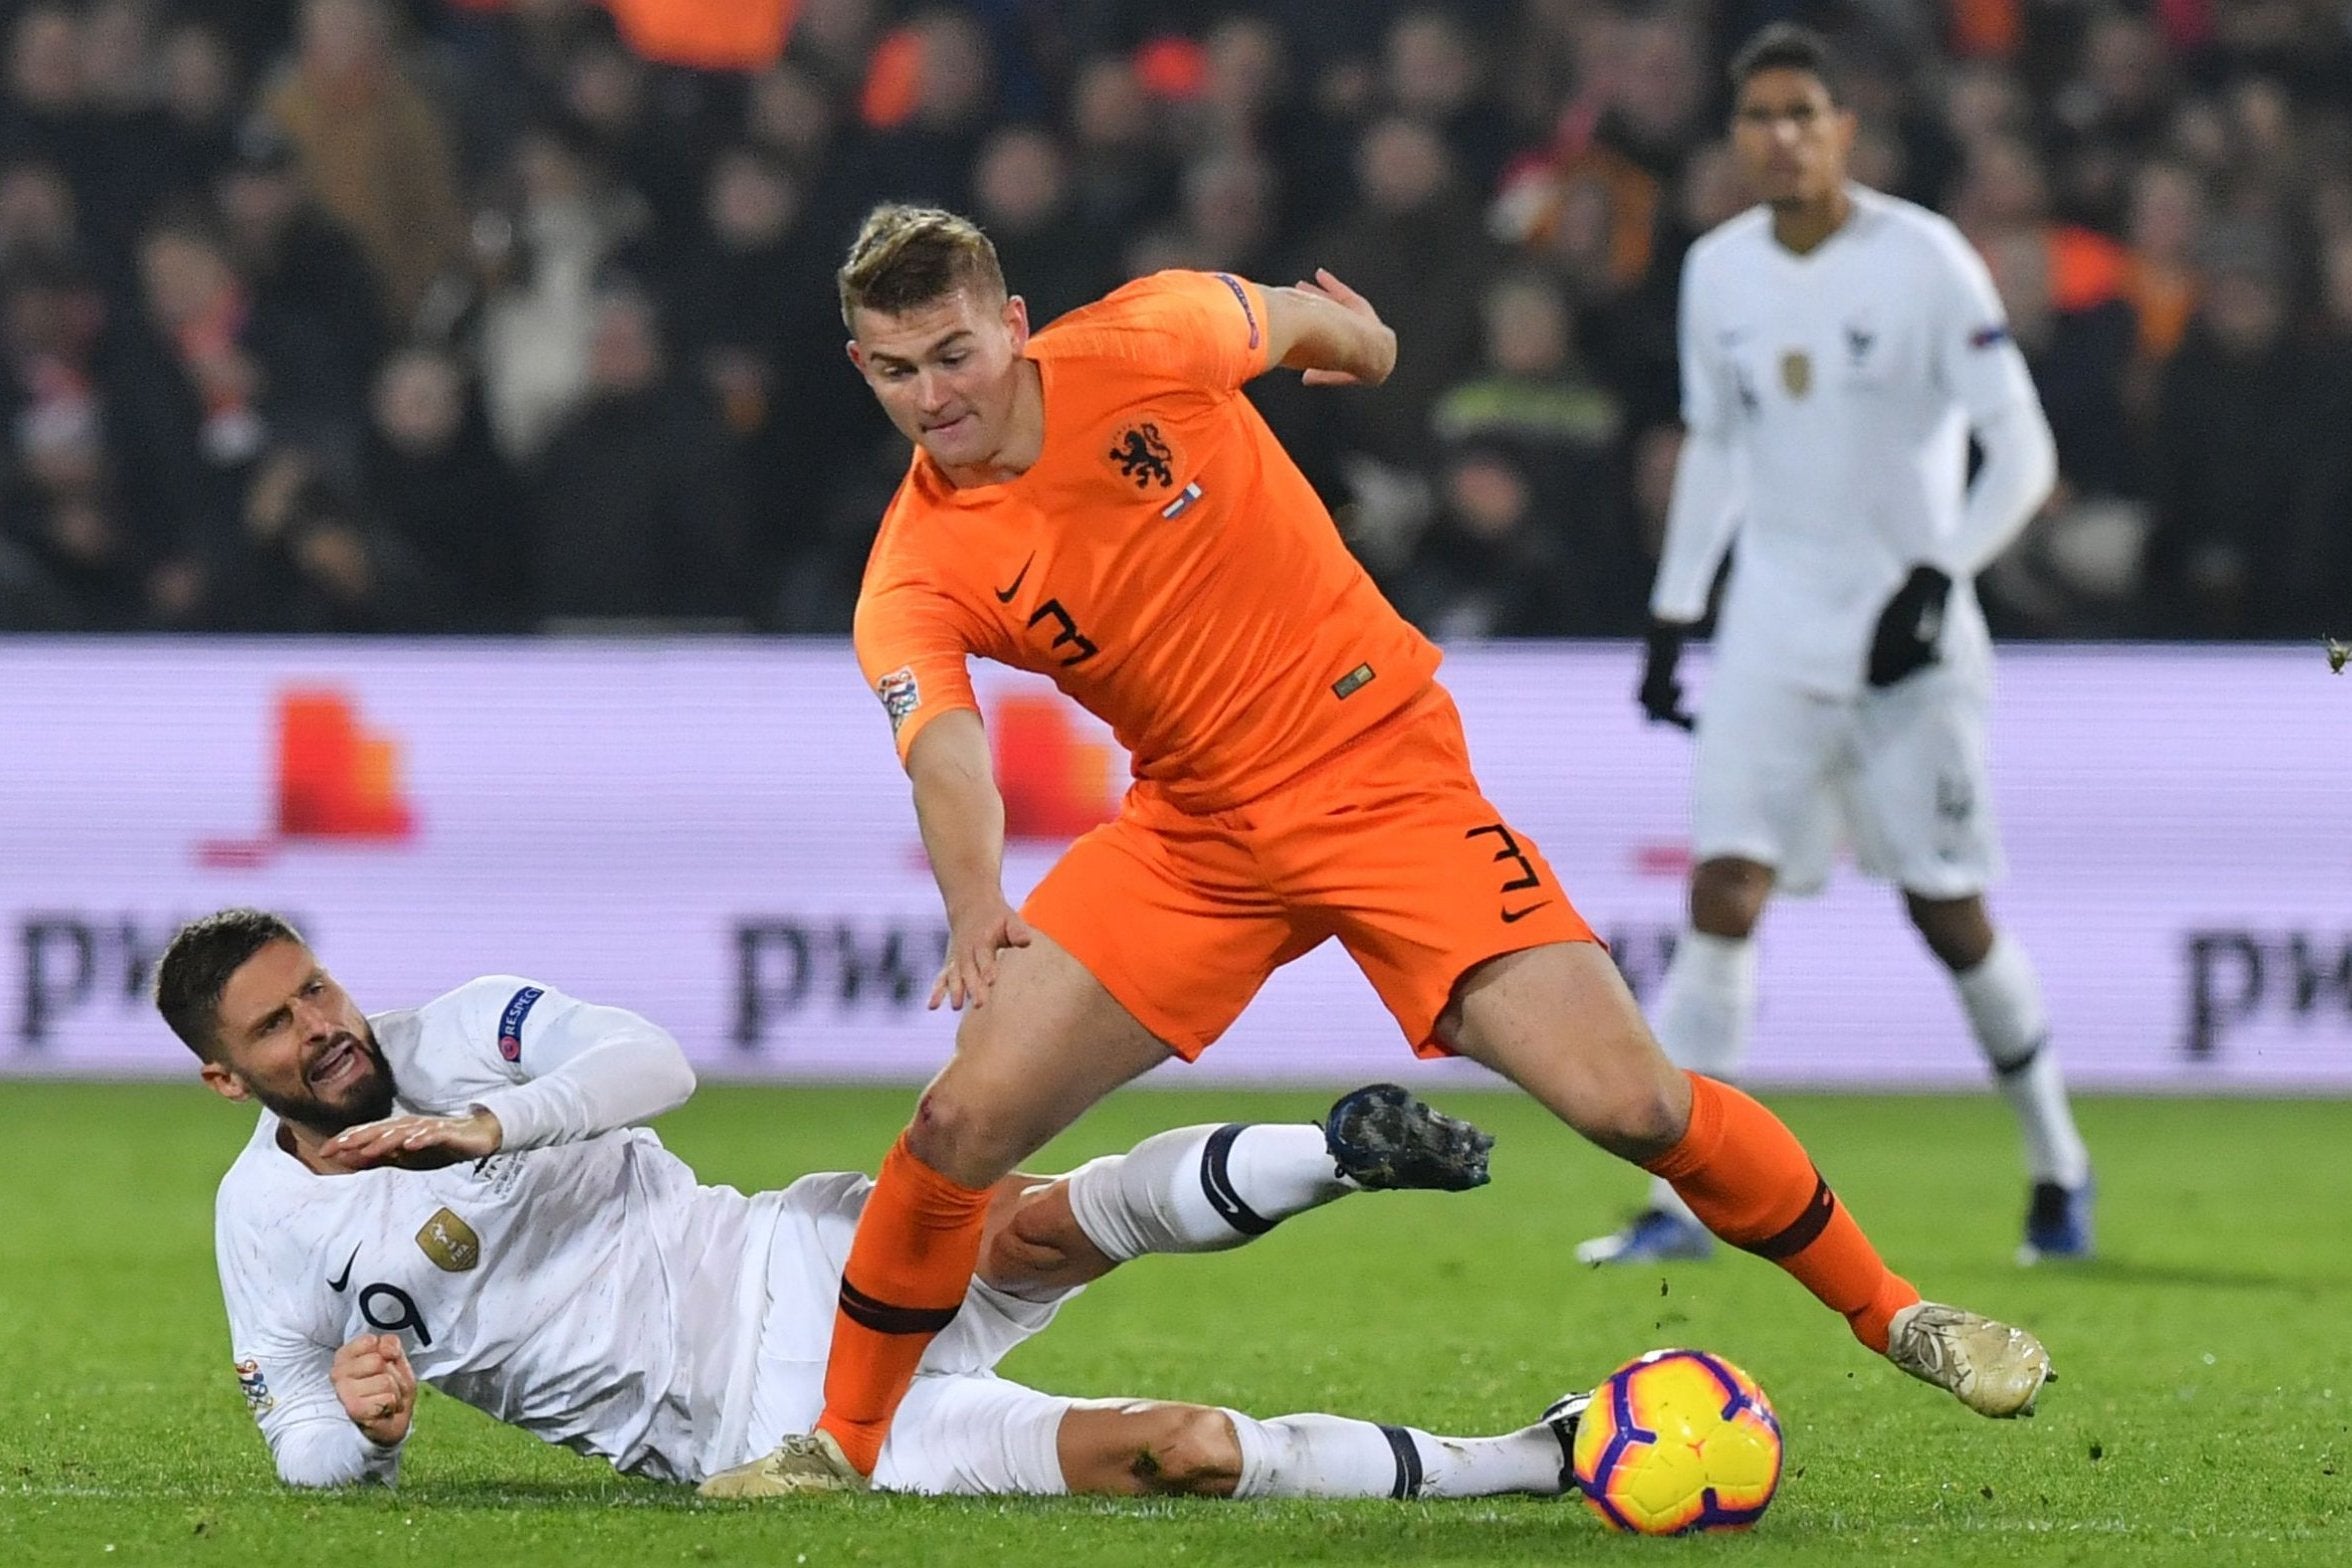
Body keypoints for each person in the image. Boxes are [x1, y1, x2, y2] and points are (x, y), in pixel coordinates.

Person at [743, 197, 2056, 1495]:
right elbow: (946, 749)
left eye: (955, 354)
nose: (933, 396)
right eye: (899, 371)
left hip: (1383, 782)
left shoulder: (1151, 337)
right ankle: (839, 1448)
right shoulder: (915, 569)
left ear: (1013, 327)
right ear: (864, 368)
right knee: (962, 1120)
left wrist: (1362, 347)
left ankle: (1901, 1317)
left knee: (1638, 1104)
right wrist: (978, 901)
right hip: (1197, 836)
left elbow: (1315, 326)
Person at [162, 907, 1605, 1502]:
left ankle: (1340, 1151)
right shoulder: (266, 1226)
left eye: (319, 991)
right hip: (757, 1425)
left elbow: (653, 1064)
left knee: (1043, 1220)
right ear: (233, 1082)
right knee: (1179, 1451)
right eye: (281, 1030)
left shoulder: (472, 1029)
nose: (327, 1029)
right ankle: (1537, 1461)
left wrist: (482, 1123)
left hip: (785, 1251)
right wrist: (357, 1431)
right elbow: (291, 1424)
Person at [1586, 26, 2093, 1270]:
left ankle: (2056, 1166)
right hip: (1771, 628)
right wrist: (1674, 607)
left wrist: (1939, 572)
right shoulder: (1718, 269)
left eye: (1804, 113)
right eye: (1759, 116)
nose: (1783, 137)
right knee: (1723, 894)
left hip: (1909, 644)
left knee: (1948, 909)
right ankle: (1683, 1202)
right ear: (1735, 136)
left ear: (1844, 127)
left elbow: (2022, 449)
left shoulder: (1923, 259)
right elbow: (1715, 445)